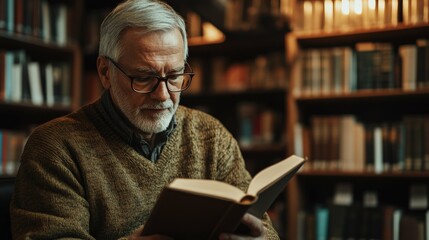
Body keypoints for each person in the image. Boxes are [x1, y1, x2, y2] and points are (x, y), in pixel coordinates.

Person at [10, 0, 280, 239]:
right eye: (143, 77)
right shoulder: (56, 148)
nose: (162, 95)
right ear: (105, 72)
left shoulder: (212, 136)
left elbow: (265, 230)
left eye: (174, 76)